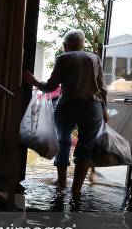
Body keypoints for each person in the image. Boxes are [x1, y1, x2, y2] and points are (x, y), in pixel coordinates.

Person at [23, 29, 109, 196]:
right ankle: (76, 190)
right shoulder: (94, 58)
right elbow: (102, 89)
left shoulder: (63, 59)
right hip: (92, 107)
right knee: (86, 146)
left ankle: (62, 183)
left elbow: (51, 87)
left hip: (67, 105)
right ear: (82, 44)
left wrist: (34, 81)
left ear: (65, 45)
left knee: (63, 142)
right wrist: (104, 110)